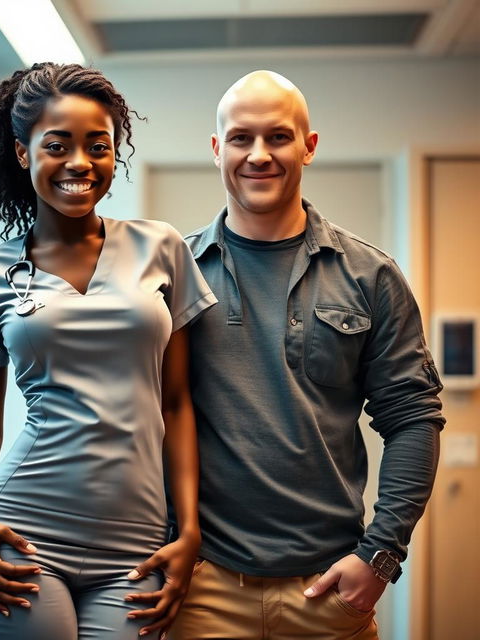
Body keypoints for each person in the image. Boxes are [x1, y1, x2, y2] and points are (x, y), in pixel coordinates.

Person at [138, 70, 443, 639]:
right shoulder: (170, 271)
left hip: (327, 592)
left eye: (278, 137)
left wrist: (380, 558)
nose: (258, 155)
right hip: (201, 589)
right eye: (240, 138)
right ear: (216, 149)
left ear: (309, 146)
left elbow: (414, 420)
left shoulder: (370, 276)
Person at [0, 62, 216, 640]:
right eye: (57, 145)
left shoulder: (160, 247)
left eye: (98, 145)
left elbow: (178, 405)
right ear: (21, 152)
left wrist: (189, 531)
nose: (80, 163)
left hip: (136, 547)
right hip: (21, 532)